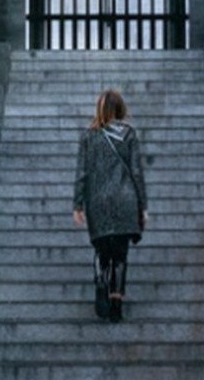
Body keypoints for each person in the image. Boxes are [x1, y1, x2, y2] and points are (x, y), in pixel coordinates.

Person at [73, 88, 148, 323]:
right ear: (120, 108)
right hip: (125, 199)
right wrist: (143, 206)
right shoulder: (129, 134)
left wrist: (77, 204)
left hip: (98, 201)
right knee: (120, 255)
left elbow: (82, 172)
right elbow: (136, 172)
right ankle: (116, 303)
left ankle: (100, 282)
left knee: (102, 249)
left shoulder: (88, 136)